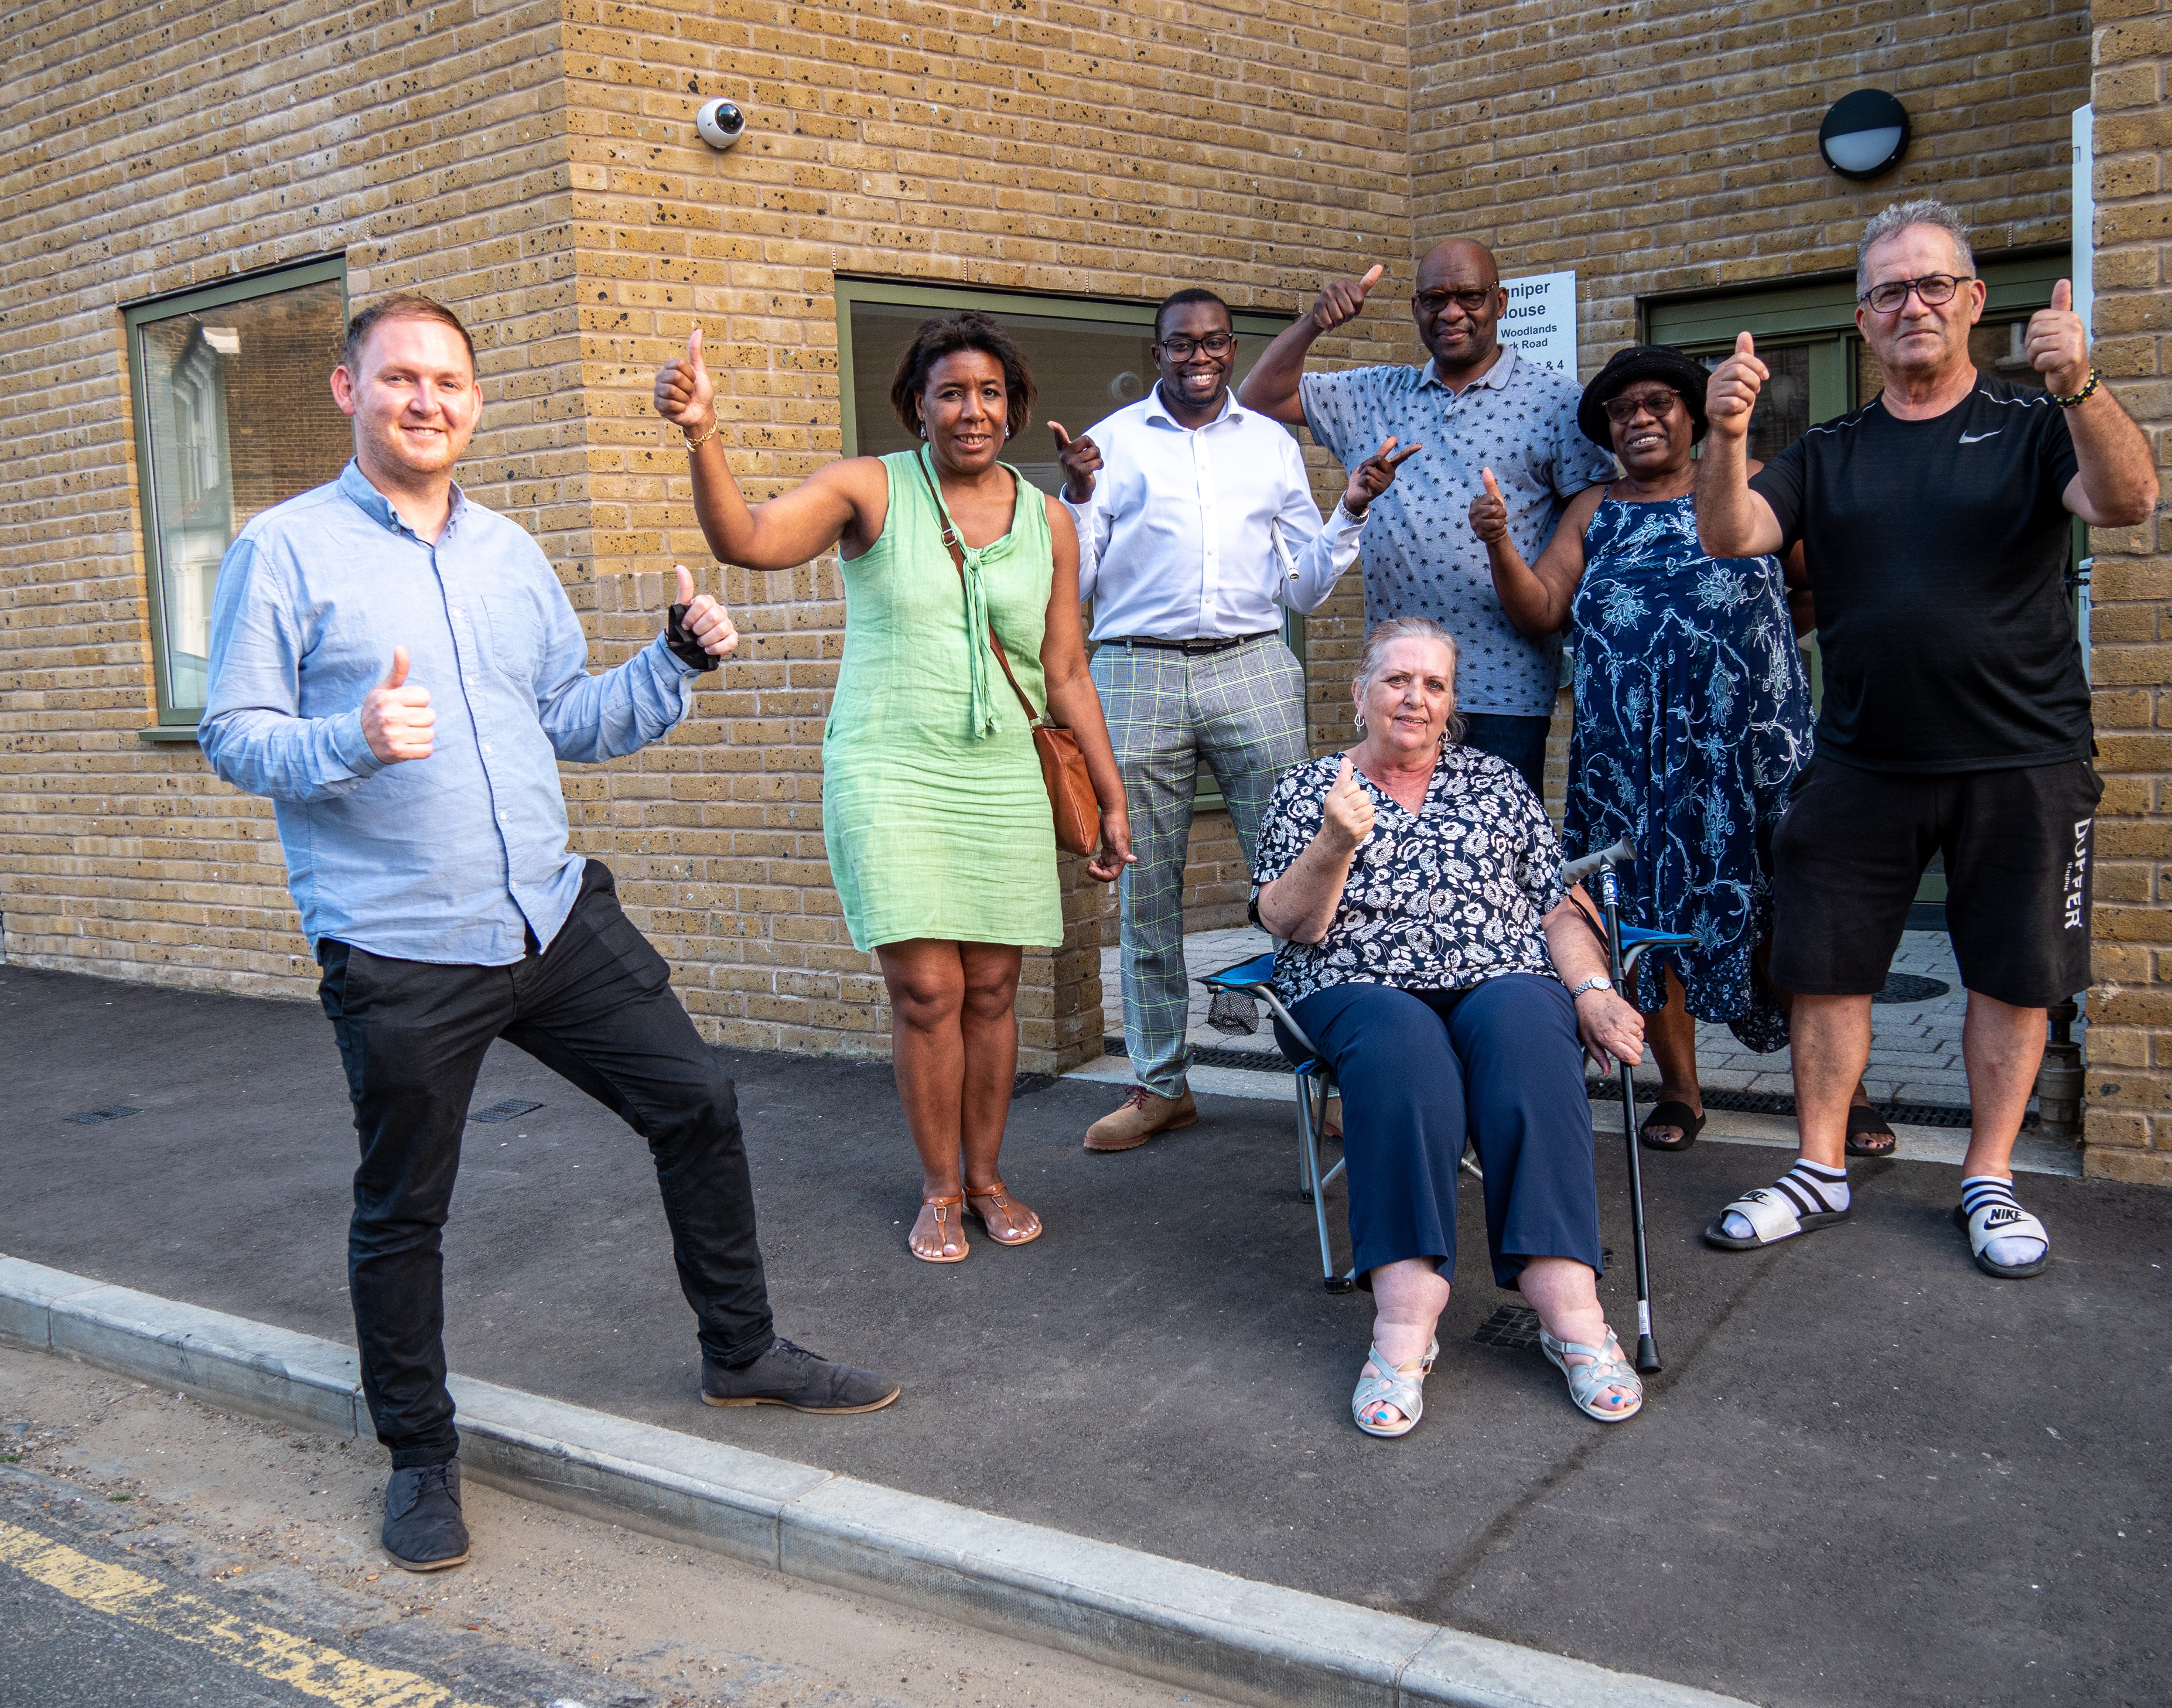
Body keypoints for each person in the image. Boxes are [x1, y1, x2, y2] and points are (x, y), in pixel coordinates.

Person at [200, 295, 899, 1576]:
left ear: (474, 403)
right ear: (348, 392)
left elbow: (570, 720)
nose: (428, 401)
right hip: (402, 945)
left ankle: (740, 1351)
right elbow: (234, 732)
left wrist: (674, 660)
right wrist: (348, 742)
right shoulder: (283, 551)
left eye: (450, 383)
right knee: (406, 1207)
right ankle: (420, 1453)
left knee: (697, 1100)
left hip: (549, 913)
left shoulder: (510, 552)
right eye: (401, 378)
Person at [1695, 199, 2158, 1277]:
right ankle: (1817, 1169)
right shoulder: (1830, 450)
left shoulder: (2035, 425)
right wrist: (1722, 436)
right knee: (1823, 971)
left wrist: (2077, 383)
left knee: (2014, 975)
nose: (1913, 305)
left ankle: (1987, 1178)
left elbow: (2128, 501)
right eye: (1889, 291)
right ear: (1862, 321)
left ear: (1972, 301)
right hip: (1862, 761)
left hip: (2023, 757)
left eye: (1932, 285)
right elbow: (1730, 536)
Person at [653, 312, 1132, 1263]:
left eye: (990, 392)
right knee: (925, 987)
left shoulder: (1050, 521)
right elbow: (747, 539)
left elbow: (1067, 670)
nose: (971, 409)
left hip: (1000, 771)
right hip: (891, 765)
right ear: (916, 404)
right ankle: (940, 1188)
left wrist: (1112, 800)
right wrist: (704, 436)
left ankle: (989, 1176)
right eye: (950, 391)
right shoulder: (868, 487)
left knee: (994, 988)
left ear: (1014, 406)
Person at [1250, 617, 1649, 1437]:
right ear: (1362, 692)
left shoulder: (1497, 783)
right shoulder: (1309, 789)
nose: (1415, 698)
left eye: (1434, 684)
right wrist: (1333, 843)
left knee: (1531, 1032)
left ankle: (1568, 1304)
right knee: (1406, 1055)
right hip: (1355, 980)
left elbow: (1554, 906)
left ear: (1452, 703)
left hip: (1497, 972)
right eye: (1398, 679)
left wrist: (1594, 990)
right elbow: (1286, 923)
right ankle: (1404, 1323)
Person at [1047, 286, 1418, 1152]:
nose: (1201, 358)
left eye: (1215, 343)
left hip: (1254, 662)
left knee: (1307, 875)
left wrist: (1352, 509)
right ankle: (1160, 1085)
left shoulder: (1271, 444)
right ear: (1158, 352)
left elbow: (1303, 587)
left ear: (1228, 346)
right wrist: (1077, 499)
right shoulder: (1114, 445)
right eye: (1182, 345)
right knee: (1146, 887)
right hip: (1134, 666)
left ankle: (1322, 1073)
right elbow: (1081, 579)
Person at [1467, 344, 1840, 1153]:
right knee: (1643, 909)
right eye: (1621, 410)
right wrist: (1498, 542)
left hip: (1749, 752)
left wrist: (1750, 661)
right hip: (1627, 757)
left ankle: (1844, 1096)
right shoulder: (1593, 510)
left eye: (1656, 404)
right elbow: (1540, 612)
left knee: (1799, 907)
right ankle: (1678, 1090)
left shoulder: (1756, 485)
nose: (1638, 420)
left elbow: (1816, 586)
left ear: (1694, 413)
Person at [1237, 240, 1618, 798]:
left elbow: (1596, 512)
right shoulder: (1374, 395)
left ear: (1501, 302)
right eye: (1434, 299)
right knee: (1392, 864)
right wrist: (1314, 324)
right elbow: (1259, 397)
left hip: (1505, 690)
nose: (1452, 312)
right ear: (1415, 309)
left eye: (1469, 296)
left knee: (1495, 864)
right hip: (1397, 692)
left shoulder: (1557, 403)